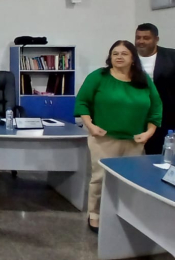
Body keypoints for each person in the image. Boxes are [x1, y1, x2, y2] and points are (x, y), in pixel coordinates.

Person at [75, 40, 162, 233]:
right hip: (104, 139)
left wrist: (149, 132)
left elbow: (156, 109)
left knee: (130, 180)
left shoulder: (143, 80)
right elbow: (82, 102)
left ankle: (124, 214)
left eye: (124, 53)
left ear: (133, 58)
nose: (119, 57)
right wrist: (91, 126)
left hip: (134, 141)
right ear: (110, 57)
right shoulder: (99, 76)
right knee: (100, 178)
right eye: (115, 53)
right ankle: (95, 214)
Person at [135, 23, 175, 155]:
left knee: (161, 154)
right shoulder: (129, 57)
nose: (141, 41)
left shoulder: (171, 56)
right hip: (137, 115)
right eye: (138, 37)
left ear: (156, 39)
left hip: (166, 116)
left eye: (146, 38)